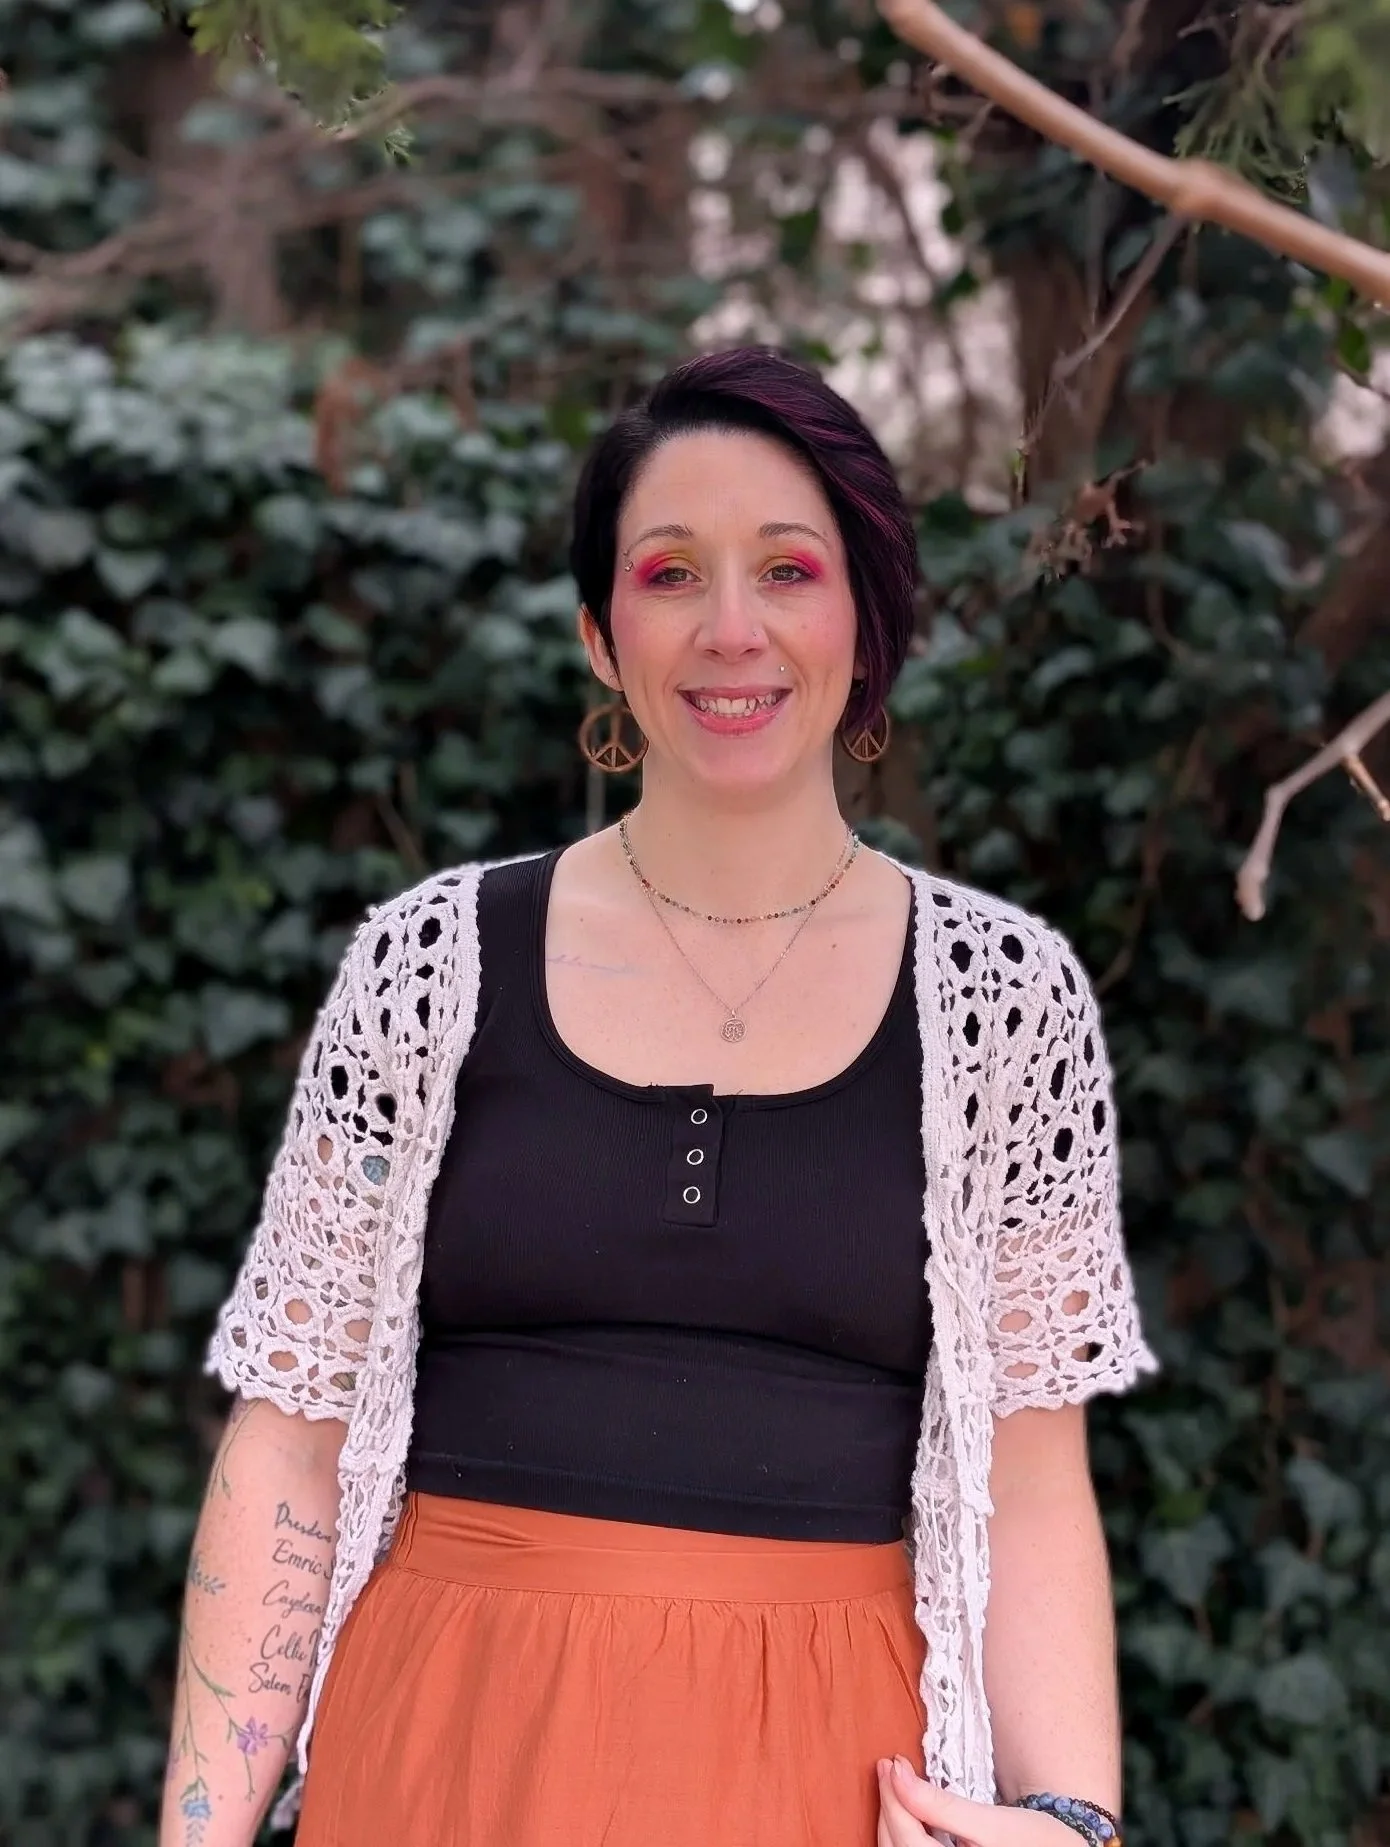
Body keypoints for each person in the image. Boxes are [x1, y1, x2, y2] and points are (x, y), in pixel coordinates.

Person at [159, 345, 1157, 1847]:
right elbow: (294, 1435)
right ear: (597, 631)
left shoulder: (1007, 1010)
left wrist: (1072, 1823)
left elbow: (1029, 1473)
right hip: (445, 1752)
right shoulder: (428, 967)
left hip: (829, 1776)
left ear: (867, 621)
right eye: (671, 571)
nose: (731, 630)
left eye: (788, 568)